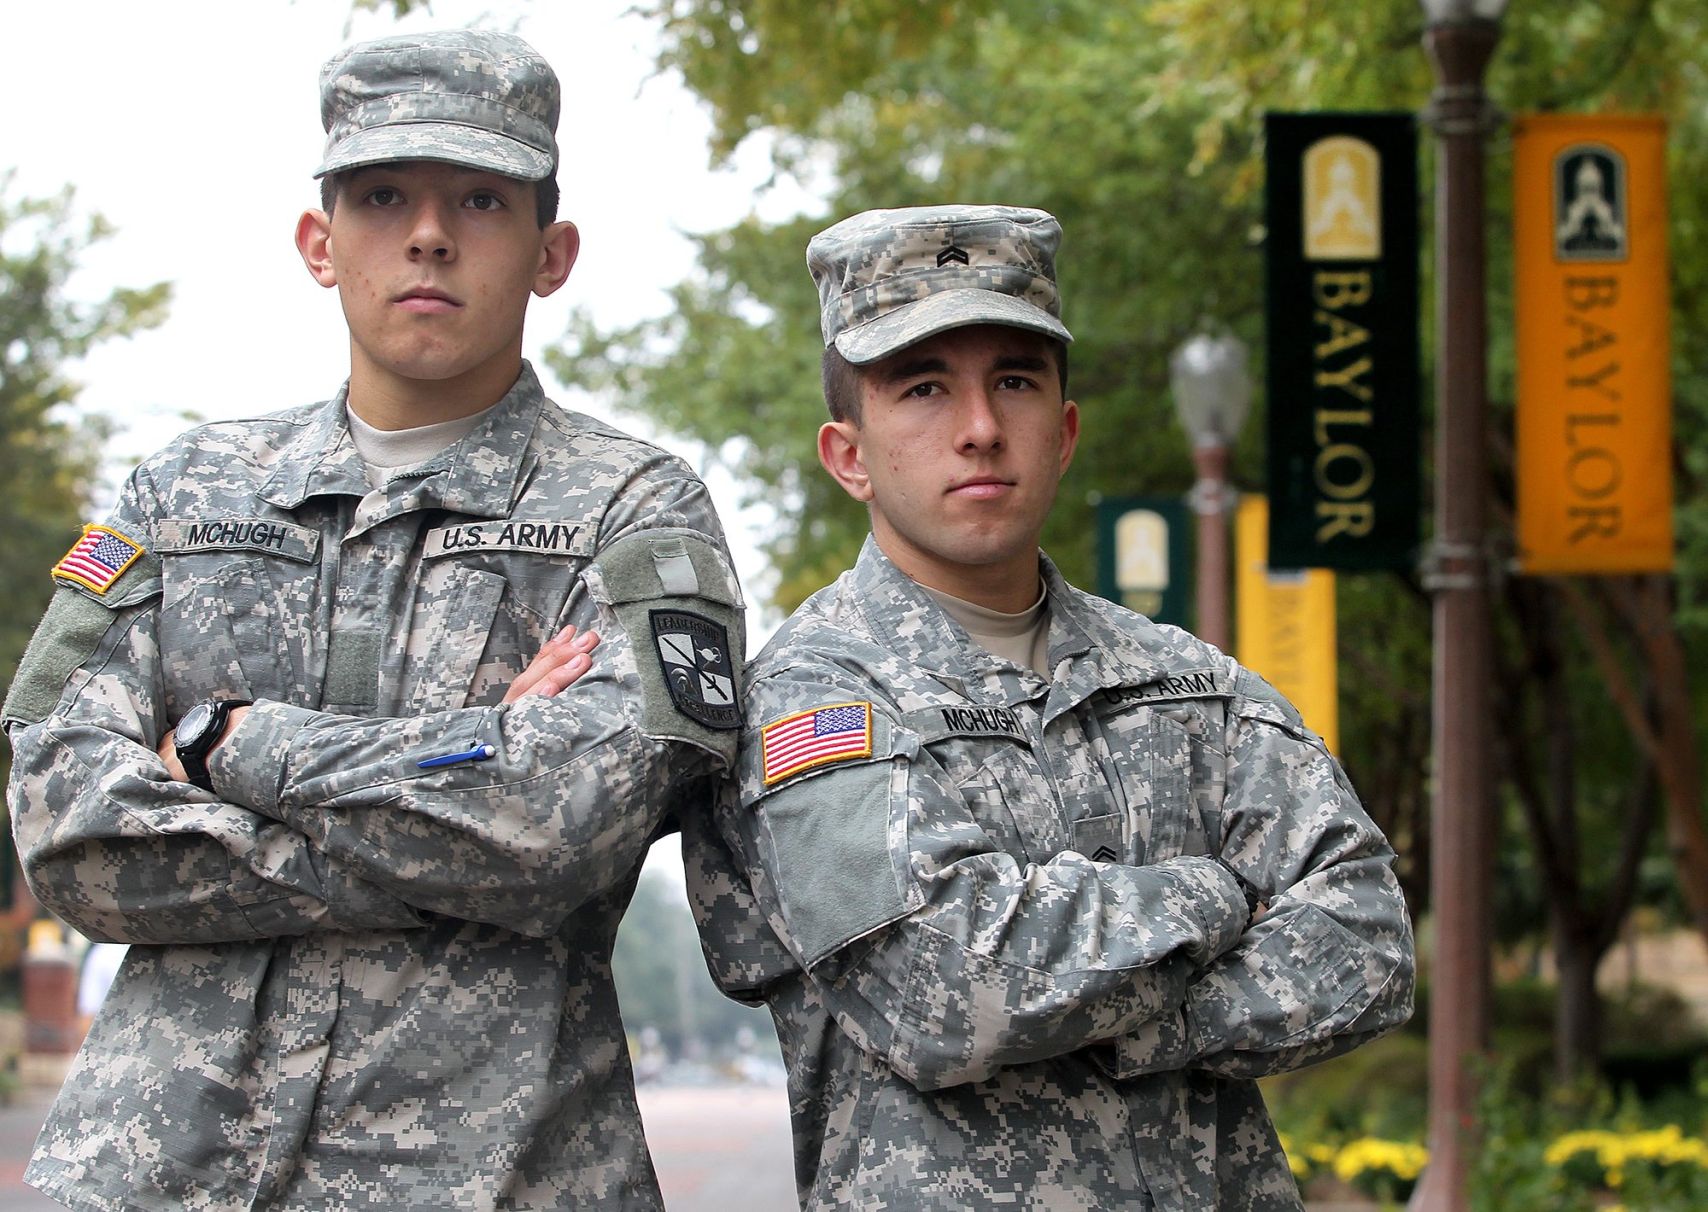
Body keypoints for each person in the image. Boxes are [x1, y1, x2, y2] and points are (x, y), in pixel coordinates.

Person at [4, 29, 743, 1211]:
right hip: (165, 1170)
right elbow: (65, 828)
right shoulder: (179, 495)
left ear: (551, 253)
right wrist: (463, 788)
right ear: (318, 242)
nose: (430, 233)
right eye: (383, 194)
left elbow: (563, 824)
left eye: (481, 200)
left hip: (497, 1172)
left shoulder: (634, 510)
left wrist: (223, 749)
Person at [685, 204, 1414, 1210]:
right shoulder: (807, 701)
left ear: (1063, 432)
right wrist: (1212, 898)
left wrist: (1141, 1015)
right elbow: (944, 994)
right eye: (924, 388)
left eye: (1014, 382)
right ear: (847, 455)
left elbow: (1368, 943)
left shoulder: (1187, 681)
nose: (980, 428)